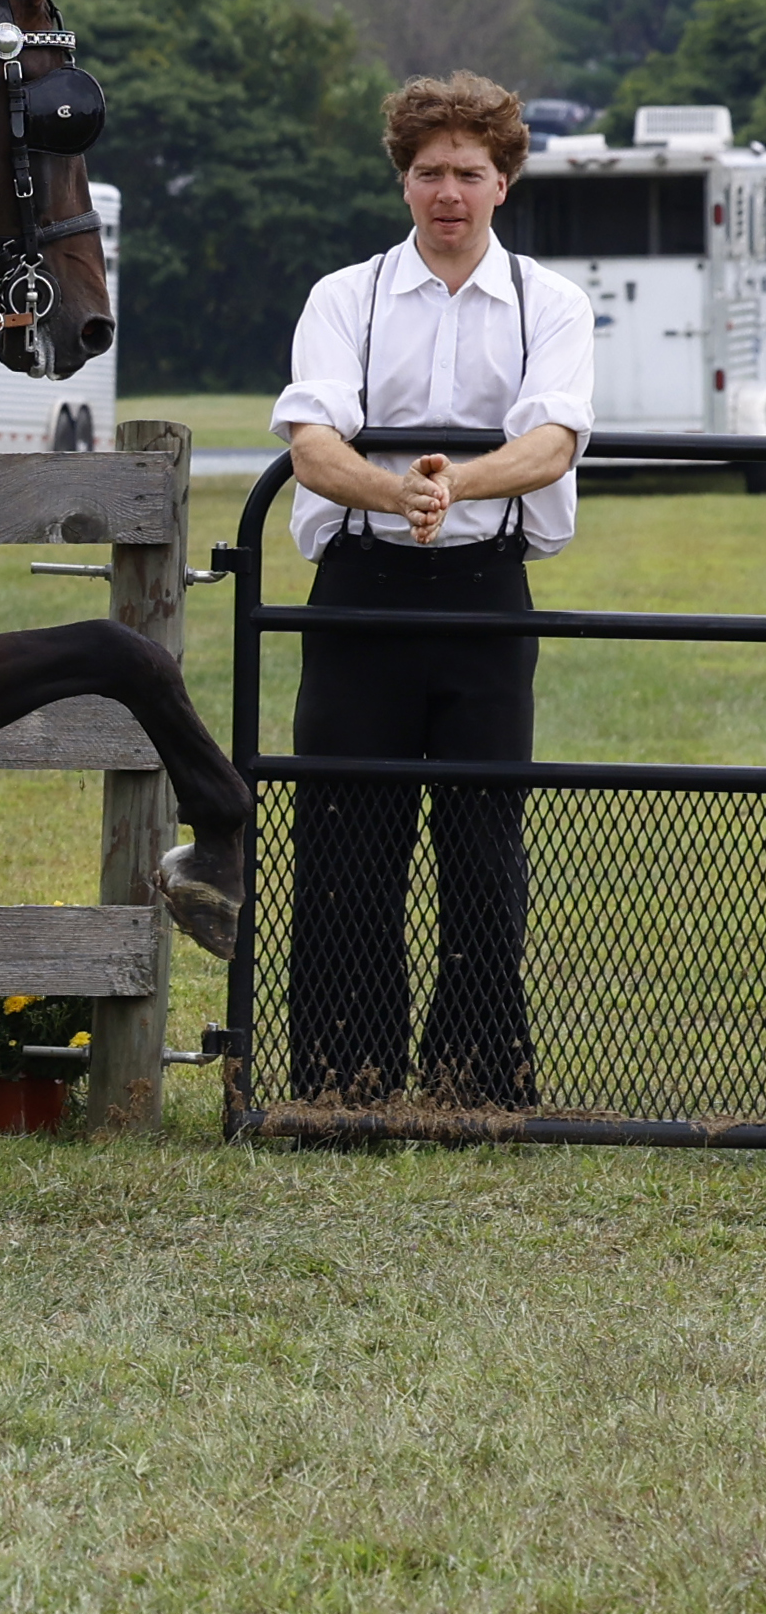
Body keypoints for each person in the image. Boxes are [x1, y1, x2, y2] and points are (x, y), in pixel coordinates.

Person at [271, 72, 592, 1110]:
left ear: (504, 182)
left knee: (483, 836)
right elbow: (313, 442)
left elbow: (549, 440)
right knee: (345, 830)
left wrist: (447, 486)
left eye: (467, 172)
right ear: (402, 182)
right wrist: (390, 491)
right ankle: (339, 1084)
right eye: (427, 172)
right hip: (358, 591)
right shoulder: (342, 296)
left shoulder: (554, 302)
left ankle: (476, 1086)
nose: (447, 191)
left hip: (486, 596)